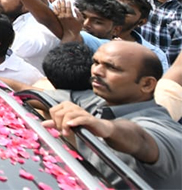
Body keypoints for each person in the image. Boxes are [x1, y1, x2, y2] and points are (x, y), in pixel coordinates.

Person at [42, 42, 182, 188]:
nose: (97, 71)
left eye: (112, 67)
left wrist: (108, 128)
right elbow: (42, 95)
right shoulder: (98, 101)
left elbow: (141, 139)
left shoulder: (164, 129)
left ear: (147, 84)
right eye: (96, 62)